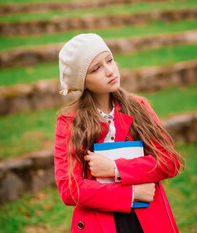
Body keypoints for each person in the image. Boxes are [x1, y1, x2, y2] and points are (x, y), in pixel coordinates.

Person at [54, 33, 184, 233]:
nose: (109, 71)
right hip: (99, 223)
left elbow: (169, 161)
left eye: (109, 60)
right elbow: (70, 189)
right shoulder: (69, 123)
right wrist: (132, 193)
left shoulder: (139, 107)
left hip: (149, 219)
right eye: (96, 68)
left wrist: (115, 168)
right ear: (82, 82)